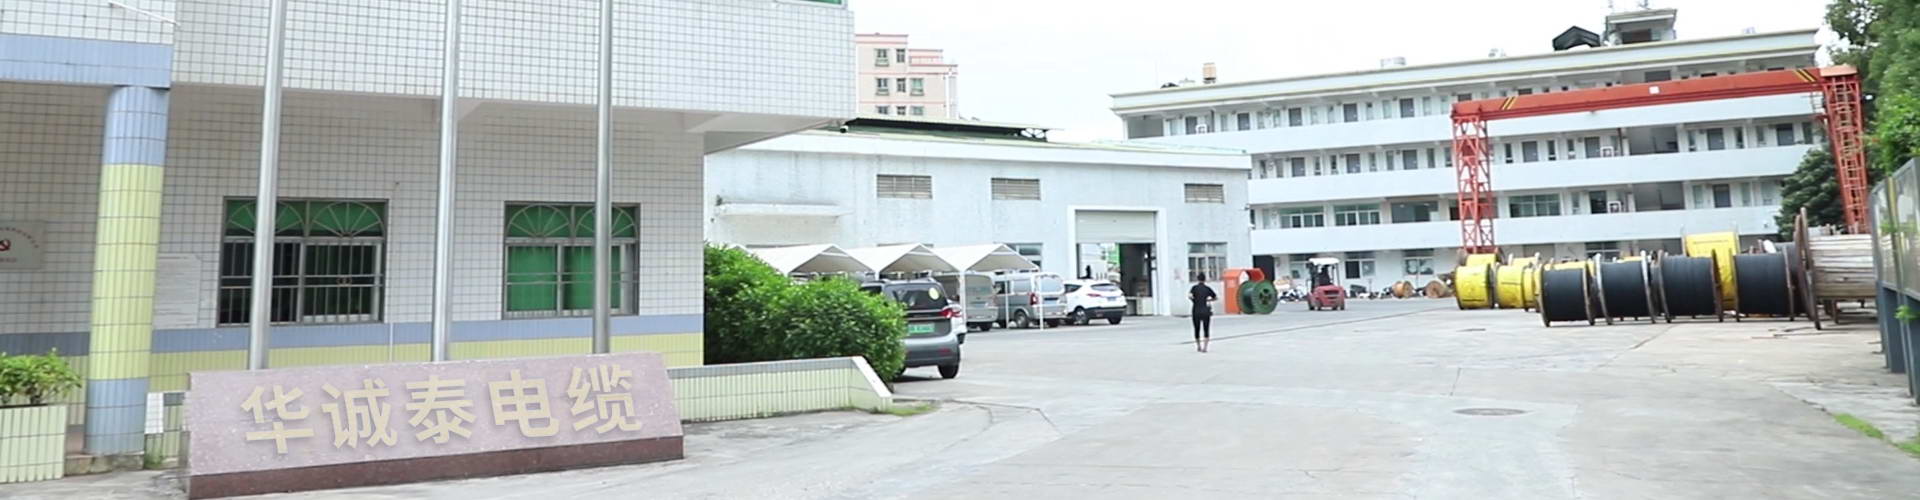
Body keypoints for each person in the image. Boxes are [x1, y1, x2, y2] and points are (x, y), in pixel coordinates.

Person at [1189, 277, 1217, 352]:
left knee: (1196, 328)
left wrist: (1194, 300)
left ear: (1197, 279)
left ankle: (1198, 346)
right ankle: (1205, 347)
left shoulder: (1194, 288)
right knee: (1206, 328)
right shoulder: (1207, 288)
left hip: (1196, 310)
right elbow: (1215, 297)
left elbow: (1190, 296)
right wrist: (1208, 300)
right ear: (1205, 280)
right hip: (1205, 311)